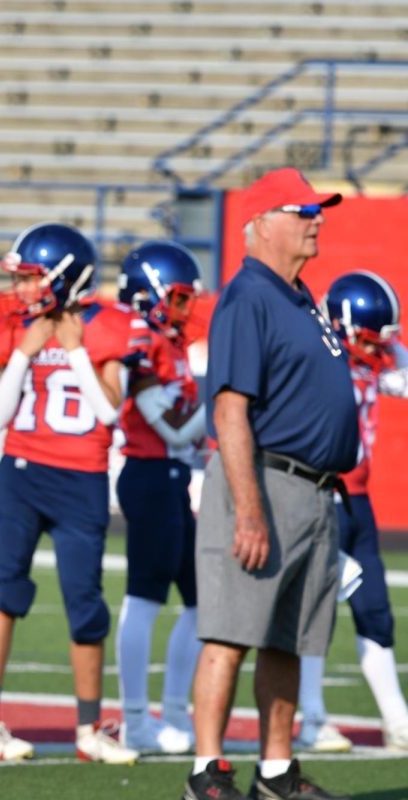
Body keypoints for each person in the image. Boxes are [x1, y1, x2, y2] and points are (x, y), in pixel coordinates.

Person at [183, 167, 355, 800]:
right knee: (230, 633)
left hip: (312, 491)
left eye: (318, 210)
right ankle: (206, 771)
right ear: (260, 224)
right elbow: (229, 408)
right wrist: (249, 511)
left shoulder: (299, 294)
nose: (317, 219)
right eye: (302, 210)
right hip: (261, 482)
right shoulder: (250, 293)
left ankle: (276, 773)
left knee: (288, 638)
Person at [0, 222, 146, 766]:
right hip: (21, 475)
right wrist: (25, 354)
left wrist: (71, 352)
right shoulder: (12, 330)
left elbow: (109, 411)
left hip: (82, 480)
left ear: (64, 278)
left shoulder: (110, 327)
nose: (21, 289)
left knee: (84, 603)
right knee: (7, 591)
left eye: (30, 277)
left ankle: (90, 728)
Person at [295, 272, 408, 754]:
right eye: (369, 337)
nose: (377, 349)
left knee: (375, 612)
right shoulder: (315, 360)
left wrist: (387, 340)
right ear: (339, 328)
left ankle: (397, 721)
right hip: (320, 493)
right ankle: (311, 718)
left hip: (358, 499)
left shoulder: (368, 361)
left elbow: (402, 375)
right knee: (316, 610)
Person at [113, 241, 206, 755]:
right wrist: (223, 407)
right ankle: (134, 719)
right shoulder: (142, 341)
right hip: (148, 474)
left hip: (171, 478)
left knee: (201, 600)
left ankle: (172, 713)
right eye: (178, 297)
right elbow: (170, 428)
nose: (185, 309)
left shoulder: (169, 344)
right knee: (145, 598)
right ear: (149, 295)